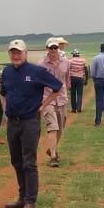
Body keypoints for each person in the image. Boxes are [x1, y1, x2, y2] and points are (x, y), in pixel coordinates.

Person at [0, 39, 63, 208]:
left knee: (29, 162)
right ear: (9, 54)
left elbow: (58, 87)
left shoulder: (36, 71)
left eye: (19, 52)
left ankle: (30, 201)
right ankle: (22, 196)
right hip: (13, 122)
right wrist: (6, 110)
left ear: (25, 53)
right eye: (13, 52)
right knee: (16, 161)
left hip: (30, 122)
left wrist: (44, 105)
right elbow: (3, 93)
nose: (16, 55)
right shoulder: (6, 72)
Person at [40, 37, 71, 167]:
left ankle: (51, 149)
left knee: (60, 129)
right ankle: (53, 156)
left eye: (55, 47)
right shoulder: (41, 64)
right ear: (47, 49)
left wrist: (66, 90)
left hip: (62, 98)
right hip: (47, 99)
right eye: (51, 47)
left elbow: (67, 79)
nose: (53, 50)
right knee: (52, 127)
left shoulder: (66, 62)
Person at [68, 49, 89, 113]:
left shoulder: (70, 61)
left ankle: (74, 109)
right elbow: (86, 70)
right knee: (80, 94)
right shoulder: (83, 60)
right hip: (80, 78)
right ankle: (79, 108)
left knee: (73, 93)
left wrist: (68, 80)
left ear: (74, 54)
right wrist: (86, 79)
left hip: (72, 78)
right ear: (78, 54)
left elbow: (68, 70)